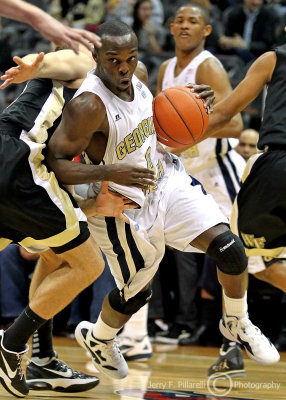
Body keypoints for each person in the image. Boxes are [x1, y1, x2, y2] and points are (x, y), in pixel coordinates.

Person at [43, 19, 278, 381]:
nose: (124, 68)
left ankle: (237, 320)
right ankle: (102, 338)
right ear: (96, 56)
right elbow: (55, 164)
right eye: (114, 60)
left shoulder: (139, 73)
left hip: (164, 178)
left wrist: (193, 104)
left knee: (231, 249)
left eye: (130, 58)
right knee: (137, 295)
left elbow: (153, 119)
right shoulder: (87, 106)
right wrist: (108, 172)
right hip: (120, 205)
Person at [0, 44, 156, 397]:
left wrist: (95, 205)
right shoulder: (86, 69)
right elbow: (64, 59)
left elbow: (62, 220)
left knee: (57, 254)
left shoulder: (95, 122)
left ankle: (42, 357)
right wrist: (33, 68)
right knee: (88, 265)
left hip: (16, 169)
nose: (130, 90)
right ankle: (12, 343)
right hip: (18, 159)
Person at [155, 1, 244, 355]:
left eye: (194, 21)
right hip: (186, 174)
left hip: (218, 171)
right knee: (166, 250)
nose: (185, 25)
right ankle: (182, 323)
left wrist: (187, 135)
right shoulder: (165, 68)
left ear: (207, 30)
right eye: (179, 20)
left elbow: (235, 124)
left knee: (239, 255)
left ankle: (233, 336)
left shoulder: (207, 66)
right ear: (171, 28)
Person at [203, 42, 286, 375]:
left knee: (244, 258)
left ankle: (231, 346)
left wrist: (170, 142)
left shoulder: (273, 57)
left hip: (277, 166)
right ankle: (230, 346)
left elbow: (225, 114)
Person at [0, 0, 102, 53]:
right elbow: (54, 15)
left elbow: (93, 19)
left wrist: (38, 19)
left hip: (81, 33)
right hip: (57, 33)